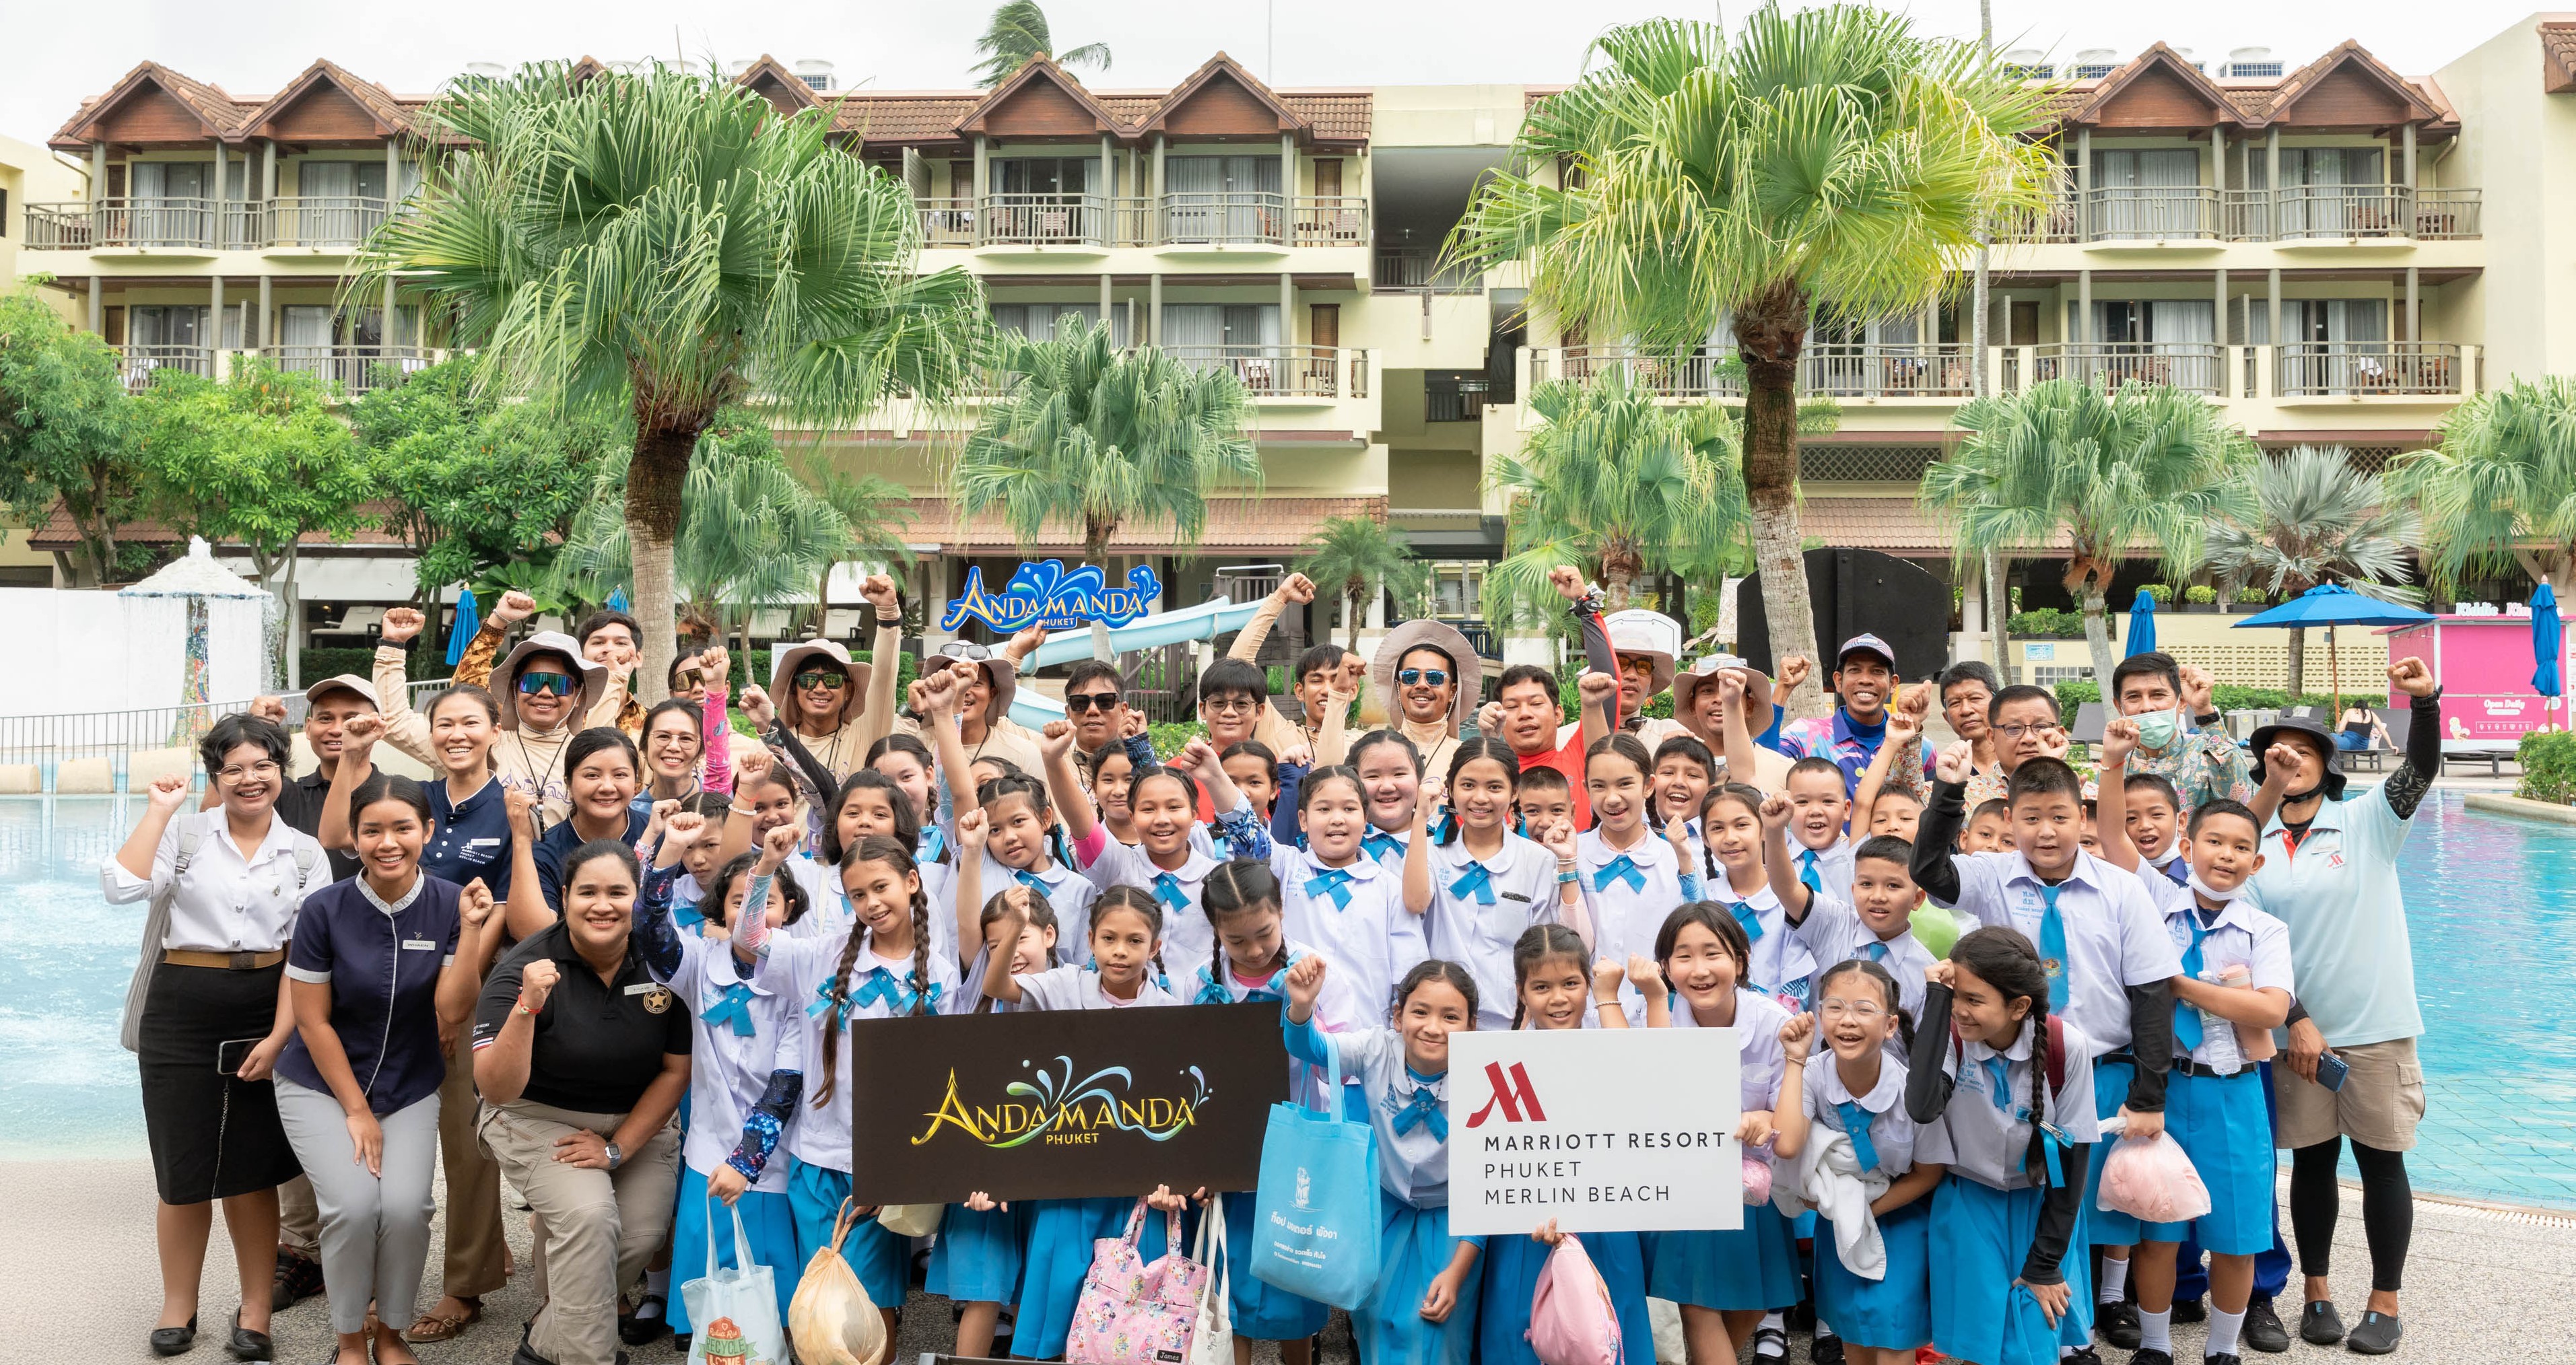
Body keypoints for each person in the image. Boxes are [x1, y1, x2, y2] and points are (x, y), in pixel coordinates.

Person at [1911, 747, 2181, 1357]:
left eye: (2059, 816)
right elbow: (1929, 870)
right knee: (2031, 1187)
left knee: (2080, 1199)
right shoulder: (1992, 874)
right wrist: (1948, 791)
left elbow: (2151, 993)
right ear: (2011, 819)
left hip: (2090, 1063)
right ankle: (2050, 1324)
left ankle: (2079, 1321)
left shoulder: (2121, 888)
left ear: (2082, 817)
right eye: (2031, 818)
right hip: (2003, 1058)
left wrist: (2148, 1094)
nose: (2046, 831)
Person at [106, 716, 331, 1361]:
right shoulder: (184, 834)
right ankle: (179, 1304)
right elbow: (120, 886)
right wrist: (159, 811)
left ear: (280, 770)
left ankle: (256, 1309)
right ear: (215, 777)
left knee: (251, 1171)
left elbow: (307, 958)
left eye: (261, 765)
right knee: (182, 1168)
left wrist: (284, 1035)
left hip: (266, 1005)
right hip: (180, 1005)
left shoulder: (306, 854)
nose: (249, 778)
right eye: (232, 768)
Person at [2240, 658, 2443, 1356]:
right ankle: (2317, 1293)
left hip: (2376, 1029)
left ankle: (2384, 1304)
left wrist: (2424, 705)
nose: (2288, 757)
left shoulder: (2366, 822)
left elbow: (2418, 772)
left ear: (2327, 763)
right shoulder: (2250, 844)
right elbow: (2243, 946)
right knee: (2314, 1165)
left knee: (2383, 1163)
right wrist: (2292, 1017)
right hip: (2296, 1034)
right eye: (2274, 750)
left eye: (2302, 748)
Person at [318, 685, 527, 1344]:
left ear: (496, 728)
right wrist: (356, 756)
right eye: (444, 724)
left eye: (470, 723)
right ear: (430, 733)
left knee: (467, 1144)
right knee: (386, 1132)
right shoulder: (416, 798)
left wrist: (457, 988)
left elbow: (497, 909)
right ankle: (386, 1277)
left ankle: (465, 1283)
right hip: (391, 990)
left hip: (474, 984)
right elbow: (337, 839)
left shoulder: (511, 805)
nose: (456, 735)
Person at [274, 775, 504, 1365]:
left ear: (427, 831)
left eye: (403, 827)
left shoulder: (452, 902)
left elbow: (452, 1010)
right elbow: (312, 1022)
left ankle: (391, 1334)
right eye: (371, 830)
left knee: (405, 1209)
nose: (388, 842)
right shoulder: (324, 908)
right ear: (352, 838)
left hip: (409, 1081)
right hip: (320, 1082)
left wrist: (475, 929)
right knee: (353, 1206)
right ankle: (350, 1339)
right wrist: (355, 1110)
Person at [2087, 781, 2296, 1365]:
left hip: (2232, 1093)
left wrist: (2175, 983)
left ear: (2256, 862)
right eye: (2213, 842)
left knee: (2237, 1235)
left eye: (2239, 848)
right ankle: (2155, 1347)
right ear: (2187, 844)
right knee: (2158, 1228)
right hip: (2163, 1086)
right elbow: (2110, 834)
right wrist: (2112, 763)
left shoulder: (2265, 931)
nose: (2225, 856)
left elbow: (2271, 1010)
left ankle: (2222, 1351)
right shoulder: (2156, 898)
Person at [473, 836, 692, 1365]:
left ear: (637, 899)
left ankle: (545, 1344)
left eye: (618, 892)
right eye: (587, 892)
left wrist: (617, 1150)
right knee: (592, 1218)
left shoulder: (664, 961)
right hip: (538, 1118)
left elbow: (675, 1070)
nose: (602, 905)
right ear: (565, 896)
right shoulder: (523, 968)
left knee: (639, 1237)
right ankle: (589, 1357)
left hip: (638, 1121)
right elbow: (495, 1088)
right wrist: (527, 1008)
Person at [223, 674, 382, 1311]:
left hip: (373, 973)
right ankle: (302, 1247)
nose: (336, 726)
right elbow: (229, 797)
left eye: (352, 714)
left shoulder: (400, 793)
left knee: (373, 1104)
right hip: (294, 973)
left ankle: (367, 1244)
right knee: (293, 1104)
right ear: (305, 726)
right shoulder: (283, 791)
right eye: (323, 716)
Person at [978, 886, 1188, 1358]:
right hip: (1067, 1185)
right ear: (1090, 939)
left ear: (1154, 947)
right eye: (1109, 938)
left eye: (1135, 941)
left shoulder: (1172, 1014)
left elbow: (1180, 1111)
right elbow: (996, 986)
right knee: (1055, 1313)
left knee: (1131, 1327)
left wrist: (1174, 1179)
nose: (1120, 951)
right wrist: (1012, 926)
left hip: (1137, 1196)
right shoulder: (1062, 985)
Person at [631, 813, 815, 1353]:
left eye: (764, 902)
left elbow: (787, 1082)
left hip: (770, 1160)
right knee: (715, 1300)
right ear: (721, 909)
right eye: (736, 901)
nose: (750, 912)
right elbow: (650, 929)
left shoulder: (801, 974)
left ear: (789, 911)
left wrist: (746, 1163)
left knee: (772, 1294)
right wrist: (669, 853)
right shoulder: (698, 962)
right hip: (706, 1155)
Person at [1906, 928, 2101, 1365]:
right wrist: (1938, 1000)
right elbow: (1921, 1105)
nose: (1961, 1010)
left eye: (1973, 1000)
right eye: (1956, 995)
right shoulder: (1951, 1035)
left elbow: (2074, 1158)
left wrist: (2046, 1262)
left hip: (2043, 1209)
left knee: (2033, 1344)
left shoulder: (2065, 1048)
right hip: (1970, 1207)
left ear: (2019, 1007)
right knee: (1981, 1346)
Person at [1283, 955, 1487, 1365]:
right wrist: (1302, 1007)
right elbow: (1312, 1049)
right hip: (1383, 1212)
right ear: (1398, 1016)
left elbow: (1488, 1185)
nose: (1433, 1027)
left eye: (1451, 1016)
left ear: (1471, 1026)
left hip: (1455, 1219)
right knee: (1375, 1322)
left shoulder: (1488, 1075)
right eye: (1420, 1012)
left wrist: (1459, 1268)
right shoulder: (1376, 1048)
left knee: (1438, 1329)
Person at [1477, 928, 1658, 1365]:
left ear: (1588, 985)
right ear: (1520, 990)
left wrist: (1612, 996)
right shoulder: (1496, 1061)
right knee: (1519, 1334)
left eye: (1570, 984)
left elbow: (1645, 1081)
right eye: (1541, 987)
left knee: (1611, 1331)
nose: (1558, 998)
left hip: (1605, 1218)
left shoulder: (1608, 1042)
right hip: (1525, 1224)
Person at [1190, 862, 1338, 1362]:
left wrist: (1305, 1009)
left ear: (1281, 912)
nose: (1254, 950)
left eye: (1264, 934)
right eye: (1237, 941)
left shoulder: (1315, 970)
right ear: (1215, 932)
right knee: (1231, 1284)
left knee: (1293, 1277)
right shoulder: (1202, 982)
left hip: (1297, 1146)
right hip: (1230, 1149)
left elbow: (1342, 1057)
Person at [1643, 903, 1802, 1361]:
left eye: (1712, 953)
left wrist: (1767, 1120)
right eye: (1683, 956)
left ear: (1740, 961)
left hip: (1755, 1189)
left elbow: (1789, 1113)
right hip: (1684, 1186)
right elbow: (1653, 1091)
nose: (1699, 969)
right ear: (1667, 968)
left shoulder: (1774, 1023)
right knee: (1697, 1306)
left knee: (1751, 1306)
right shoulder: (1661, 1014)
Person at [1773, 960, 1944, 1365]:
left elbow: (1929, 1173)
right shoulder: (1812, 1072)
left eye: (1864, 1010)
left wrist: (1862, 1209)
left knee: (1893, 1337)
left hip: (1899, 1215)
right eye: (1835, 1007)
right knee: (1854, 1338)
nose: (1847, 1020)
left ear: (1889, 1026)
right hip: (1837, 1219)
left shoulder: (1911, 1090)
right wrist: (1795, 1060)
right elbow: (1788, 1145)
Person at [1405, 739, 1587, 1032]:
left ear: (1515, 792)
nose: (1480, 798)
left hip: (1509, 1026)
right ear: (1450, 789)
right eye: (1467, 786)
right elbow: (1415, 904)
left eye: (1494, 787)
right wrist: (1420, 817)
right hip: (1439, 1027)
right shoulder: (1426, 853)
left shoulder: (1538, 860)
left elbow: (1543, 950)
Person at [377, 606, 608, 827]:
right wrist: (392, 645)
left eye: (561, 684)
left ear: (578, 695)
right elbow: (394, 722)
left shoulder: (590, 756)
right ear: (514, 690)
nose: (545, 693)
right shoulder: (478, 741)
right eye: (533, 682)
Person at [1064, 738, 1270, 970]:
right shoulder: (1119, 866)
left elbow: (1258, 851)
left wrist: (1215, 777)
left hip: (1199, 1003)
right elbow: (1082, 825)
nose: (1162, 819)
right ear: (1132, 817)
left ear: (1194, 815)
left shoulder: (1218, 879)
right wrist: (1053, 760)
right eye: (1148, 809)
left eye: (1174, 807)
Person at [1267, 763, 1417, 1023]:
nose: (1337, 819)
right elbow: (1245, 831)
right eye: (1324, 809)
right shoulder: (1285, 867)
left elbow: (1409, 972)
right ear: (1303, 820)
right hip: (1293, 1034)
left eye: (1349, 809)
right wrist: (1214, 775)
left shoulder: (1390, 887)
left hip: (1366, 1038)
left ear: (1366, 817)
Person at [1574, 734, 1695, 1025]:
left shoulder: (1673, 858)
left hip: (1660, 1019)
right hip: (1586, 1019)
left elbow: (1698, 929)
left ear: (1649, 785)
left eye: (1625, 784)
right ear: (1586, 789)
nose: (1612, 798)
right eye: (1599, 786)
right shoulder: (1572, 855)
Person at [1697, 786, 1816, 1013]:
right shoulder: (1703, 900)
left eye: (1741, 825)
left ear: (1763, 829)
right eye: (1717, 828)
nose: (1730, 838)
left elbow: (1796, 982)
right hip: (1718, 1030)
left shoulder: (1792, 901)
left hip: (1779, 1034)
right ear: (1705, 837)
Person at [1774, 634, 1932, 801]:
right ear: (1838, 681)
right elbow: (1760, 772)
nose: (1865, 680)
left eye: (1877, 671)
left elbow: (1934, 813)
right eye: (1855, 670)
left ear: (1893, 684)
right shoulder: (1802, 736)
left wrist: (1912, 733)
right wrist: (1782, 690)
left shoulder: (1920, 747)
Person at [531, 728, 651, 920]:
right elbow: (538, 933)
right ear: (568, 782)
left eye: (620, 775)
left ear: (636, 780)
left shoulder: (659, 834)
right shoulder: (546, 851)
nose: (607, 787)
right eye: (592, 776)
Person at [2107, 653, 2253, 810]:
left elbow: (2240, 803)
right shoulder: (2115, 763)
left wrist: (2204, 711)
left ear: (2182, 702)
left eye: (2158, 695)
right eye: (2134, 697)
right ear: (2119, 707)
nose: (2147, 706)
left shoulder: (2207, 752)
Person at [1371, 616, 1486, 783]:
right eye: (1411, 677)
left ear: (1452, 692)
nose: (1422, 685)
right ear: (1398, 686)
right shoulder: (1373, 752)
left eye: (1435, 678)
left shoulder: (1469, 758)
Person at [1598, 607, 1688, 744]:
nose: (1632, 675)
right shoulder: (1566, 739)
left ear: (1652, 682)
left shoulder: (1672, 736)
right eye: (1621, 664)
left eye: (1643, 667)